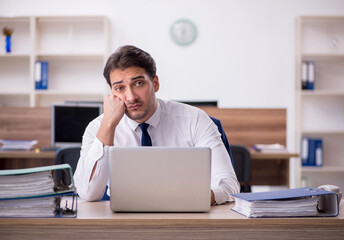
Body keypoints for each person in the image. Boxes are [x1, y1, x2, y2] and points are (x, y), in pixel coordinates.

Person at [74, 45, 240, 205]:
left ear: (156, 83)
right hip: (122, 223)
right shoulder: (98, 128)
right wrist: (108, 125)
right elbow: (88, 193)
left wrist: (186, 200)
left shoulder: (195, 119)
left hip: (184, 218)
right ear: (112, 94)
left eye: (138, 83)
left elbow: (229, 185)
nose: (130, 97)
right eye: (120, 88)